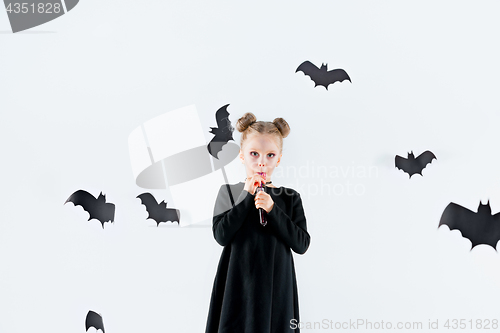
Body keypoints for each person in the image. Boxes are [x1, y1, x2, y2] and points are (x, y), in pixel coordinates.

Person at [205, 112, 311, 333]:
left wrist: (272, 209)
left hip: (276, 284)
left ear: (279, 158)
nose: (262, 162)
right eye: (254, 153)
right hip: (237, 282)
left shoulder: (290, 197)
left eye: (270, 155)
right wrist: (246, 197)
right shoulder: (229, 193)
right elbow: (221, 235)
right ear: (242, 155)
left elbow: (301, 244)